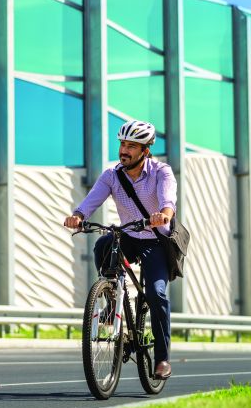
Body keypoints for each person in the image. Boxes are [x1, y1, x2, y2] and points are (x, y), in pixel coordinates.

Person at [63, 119, 175, 380]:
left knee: (156, 294)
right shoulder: (111, 175)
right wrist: (77, 215)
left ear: (145, 151)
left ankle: (162, 359)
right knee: (104, 242)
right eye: (123, 144)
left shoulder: (161, 172)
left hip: (156, 238)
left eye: (131, 146)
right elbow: (91, 202)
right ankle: (112, 299)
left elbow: (168, 199)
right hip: (129, 235)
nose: (124, 150)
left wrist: (164, 215)